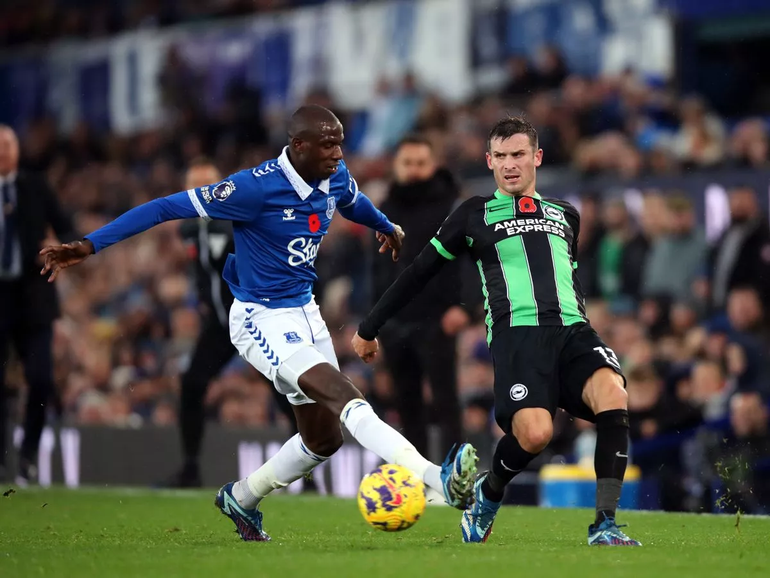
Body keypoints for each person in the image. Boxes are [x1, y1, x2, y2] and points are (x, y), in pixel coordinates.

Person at [40, 105, 478, 541]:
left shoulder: (333, 174)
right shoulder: (252, 188)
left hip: (307, 312)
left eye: (341, 142)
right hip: (259, 317)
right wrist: (90, 245)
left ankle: (242, 497)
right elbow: (163, 209)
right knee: (348, 398)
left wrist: (386, 225)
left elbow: (351, 201)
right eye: (327, 144)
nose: (338, 153)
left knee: (324, 442)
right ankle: (436, 479)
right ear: (298, 146)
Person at [352, 116, 641, 546]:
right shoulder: (472, 214)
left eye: (519, 154)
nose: (510, 164)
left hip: (573, 331)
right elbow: (419, 272)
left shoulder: (566, 214)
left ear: (537, 157)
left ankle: (605, 525)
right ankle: (487, 497)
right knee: (536, 434)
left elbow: (568, 276)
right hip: (517, 338)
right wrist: (369, 326)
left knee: (614, 396)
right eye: (501, 156)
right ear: (489, 161)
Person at [165, 157, 297, 488]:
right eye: (195, 186)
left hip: (253, 320)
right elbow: (202, 271)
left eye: (208, 184)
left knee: (284, 391)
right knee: (192, 384)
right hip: (220, 326)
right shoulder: (189, 228)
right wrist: (204, 302)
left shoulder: (236, 221)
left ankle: (306, 471)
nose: (202, 192)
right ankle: (190, 466)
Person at [373, 134, 473, 457]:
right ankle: (417, 478)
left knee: (446, 401)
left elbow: (470, 260)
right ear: (395, 166)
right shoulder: (385, 208)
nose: (414, 170)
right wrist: (374, 320)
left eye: (421, 163)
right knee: (407, 404)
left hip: (438, 319)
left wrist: (463, 307)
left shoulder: (451, 204)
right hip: (396, 323)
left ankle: (456, 476)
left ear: (433, 166)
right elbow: (376, 268)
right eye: (408, 163)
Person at [0, 124, 73, 486]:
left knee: (41, 379)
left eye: (9, 144)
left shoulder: (35, 185)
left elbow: (66, 225)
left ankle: (28, 454)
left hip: (33, 294)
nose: (5, 151)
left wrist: (63, 245)